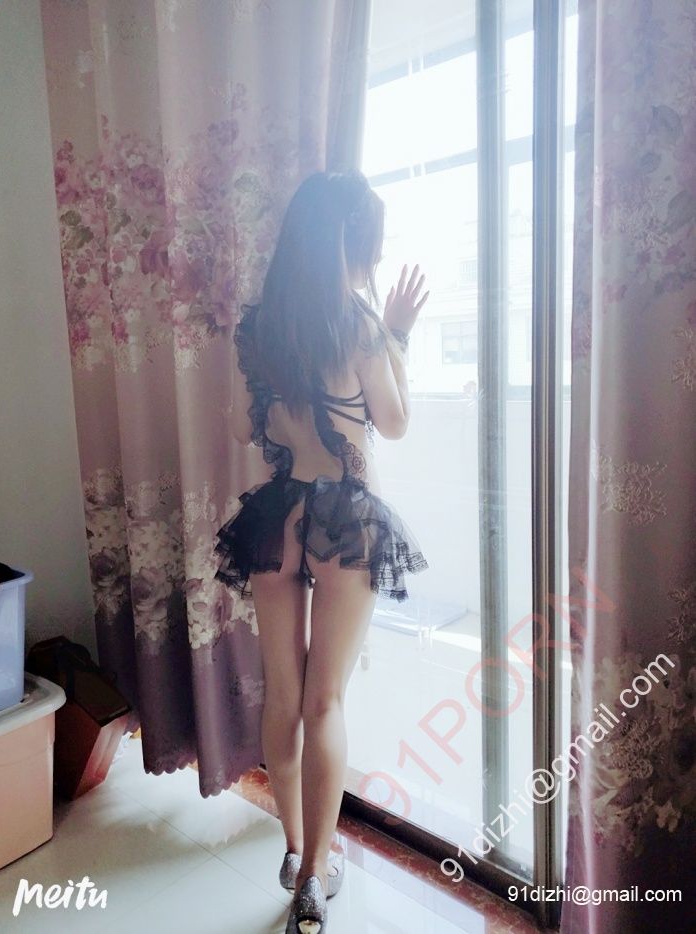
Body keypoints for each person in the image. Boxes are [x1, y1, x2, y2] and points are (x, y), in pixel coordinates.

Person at [213, 169, 429, 934]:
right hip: (343, 517)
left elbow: (243, 428)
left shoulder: (259, 327)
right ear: (351, 244)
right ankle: (314, 878)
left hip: (280, 513)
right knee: (324, 701)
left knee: (283, 695)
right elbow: (393, 423)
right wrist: (396, 335)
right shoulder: (360, 325)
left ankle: (292, 849)